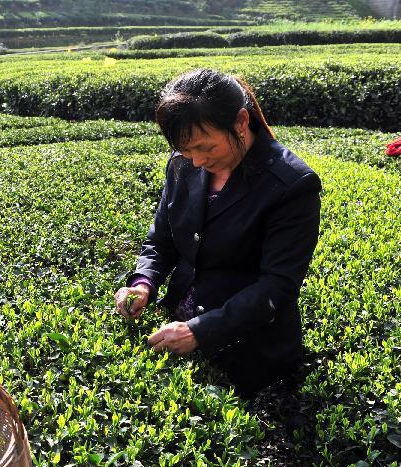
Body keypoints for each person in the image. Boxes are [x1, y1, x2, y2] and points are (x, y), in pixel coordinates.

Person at [114, 68, 322, 396]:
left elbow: (277, 286)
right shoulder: (182, 164)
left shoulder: (291, 184)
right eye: (186, 149)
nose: (196, 161)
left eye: (206, 147)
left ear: (241, 122)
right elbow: (162, 239)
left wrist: (200, 330)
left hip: (248, 352)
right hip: (178, 330)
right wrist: (144, 282)